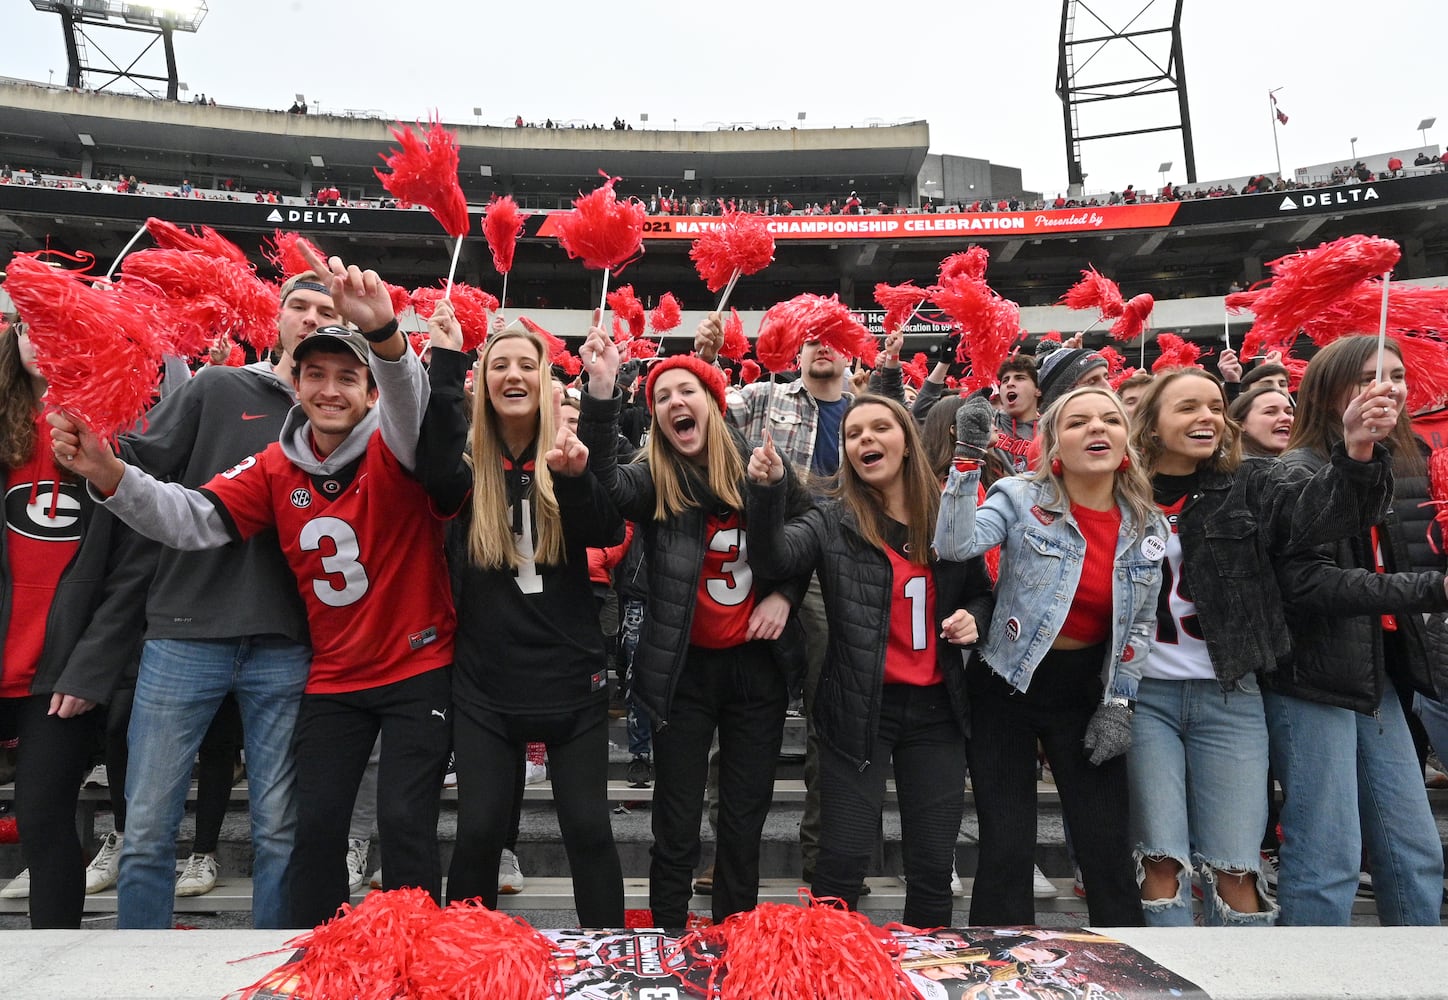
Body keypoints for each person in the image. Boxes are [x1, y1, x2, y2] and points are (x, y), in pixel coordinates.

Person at [52, 253, 456, 929]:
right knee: (314, 830)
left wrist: (387, 334)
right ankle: (310, 958)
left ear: (369, 392)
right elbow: (191, 515)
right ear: (294, 384)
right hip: (333, 673)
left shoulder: (396, 446)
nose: (330, 390)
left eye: (348, 378)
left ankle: (423, 958)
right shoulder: (274, 463)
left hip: (415, 665)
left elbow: (412, 400)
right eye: (316, 375)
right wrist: (110, 474)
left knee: (403, 823)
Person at [67, 267, 340, 929]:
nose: (308, 318)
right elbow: (141, 459)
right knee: (150, 825)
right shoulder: (218, 386)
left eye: (324, 310)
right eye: (297, 305)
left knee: (280, 829)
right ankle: (143, 973)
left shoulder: (342, 417)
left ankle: (270, 971)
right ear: (275, 319)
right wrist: (91, 428)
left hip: (285, 641)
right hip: (185, 629)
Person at [1125, 366, 1398, 927]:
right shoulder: (1117, 489)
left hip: (1231, 696)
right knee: (1160, 863)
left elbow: (1330, 514)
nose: (1205, 417)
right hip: (1141, 695)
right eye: (1187, 408)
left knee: (1237, 868)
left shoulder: (1252, 482)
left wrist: (1357, 446)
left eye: (1213, 407)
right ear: (1150, 427)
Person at [578, 328, 813, 928]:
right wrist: (603, 392)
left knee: (743, 818)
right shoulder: (653, 475)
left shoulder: (762, 464)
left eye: (688, 391)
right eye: (663, 397)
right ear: (655, 417)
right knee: (675, 819)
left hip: (755, 669)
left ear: (711, 400)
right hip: (682, 669)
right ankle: (667, 937)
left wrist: (785, 594)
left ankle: (734, 937)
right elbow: (602, 486)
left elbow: (815, 530)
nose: (676, 403)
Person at [744, 395, 994, 927]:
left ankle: (926, 975)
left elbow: (981, 592)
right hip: (859, 710)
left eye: (880, 428)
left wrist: (975, 619)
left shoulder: (949, 513)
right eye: (854, 433)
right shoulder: (831, 518)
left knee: (931, 866)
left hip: (937, 713)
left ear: (906, 441)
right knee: (840, 863)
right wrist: (765, 495)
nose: (866, 440)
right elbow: (773, 558)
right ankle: (834, 974)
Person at [414, 307, 625, 927]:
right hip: (486, 684)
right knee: (478, 831)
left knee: (588, 830)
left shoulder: (567, 452)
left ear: (544, 379)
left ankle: (611, 959)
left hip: (571, 680)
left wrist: (580, 475)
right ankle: (467, 961)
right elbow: (432, 470)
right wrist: (447, 364)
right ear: (483, 382)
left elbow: (608, 527)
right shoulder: (467, 463)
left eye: (525, 364)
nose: (512, 375)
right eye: (498, 364)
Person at [935, 387, 1167, 926]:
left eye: (1110, 419)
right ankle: (1000, 967)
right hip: (1005, 686)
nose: (1097, 429)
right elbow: (953, 545)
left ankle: (1125, 970)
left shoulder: (1147, 523)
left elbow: (1138, 624)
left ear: (1125, 439)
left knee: (1105, 844)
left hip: (1086, 691)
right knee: (1008, 842)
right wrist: (967, 460)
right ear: (1054, 441)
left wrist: (1119, 704)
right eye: (1080, 421)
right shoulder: (1019, 496)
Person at [694, 313, 906, 886]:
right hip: (762, 562)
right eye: (813, 340)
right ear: (798, 348)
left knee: (829, 716)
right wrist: (707, 362)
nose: (822, 351)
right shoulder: (764, 395)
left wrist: (890, 369)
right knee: (736, 715)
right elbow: (702, 426)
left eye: (835, 342)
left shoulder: (866, 410)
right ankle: (728, 850)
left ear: (849, 354)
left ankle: (825, 862)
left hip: (843, 566)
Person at [1268, 335, 1447, 925]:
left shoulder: (1398, 461)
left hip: (1382, 679)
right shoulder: (1294, 471)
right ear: (1328, 390)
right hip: (1314, 681)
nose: (1386, 387)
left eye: (1395, 375)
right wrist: (1432, 590)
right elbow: (1313, 585)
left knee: (1413, 850)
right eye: (1368, 376)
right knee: (1328, 857)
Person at [0, 313, 151, 926]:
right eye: (33, 326)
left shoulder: (122, 435)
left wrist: (90, 671)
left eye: (61, 327)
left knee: (43, 820)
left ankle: (55, 967)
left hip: (60, 677)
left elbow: (133, 573)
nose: (45, 340)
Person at [1229, 384, 1295, 457]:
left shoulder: (1303, 462)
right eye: (1270, 412)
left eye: (1289, 412)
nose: (1286, 418)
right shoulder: (1226, 466)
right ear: (1240, 424)